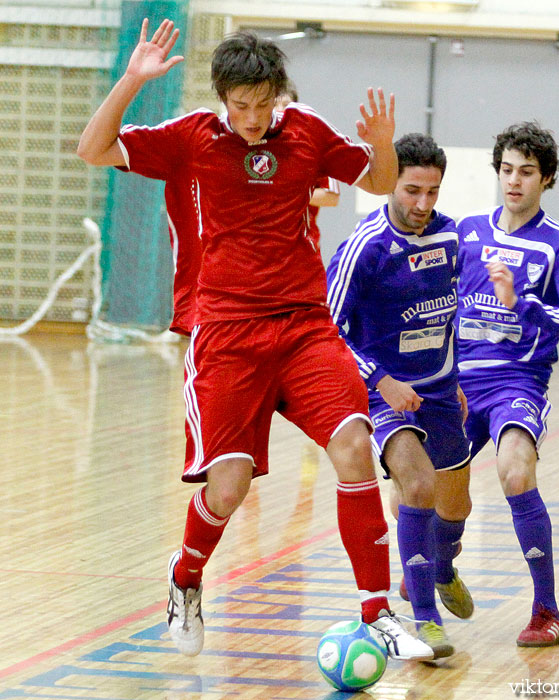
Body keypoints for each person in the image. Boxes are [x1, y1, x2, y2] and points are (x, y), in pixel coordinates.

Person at [77, 18, 434, 661]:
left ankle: (376, 613)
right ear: (222, 98)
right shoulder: (191, 138)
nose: (251, 117)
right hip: (225, 333)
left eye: (263, 103)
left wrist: (382, 145)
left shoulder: (307, 131)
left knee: (355, 444)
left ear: (279, 94)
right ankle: (185, 576)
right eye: (240, 105)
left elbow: (380, 182)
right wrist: (132, 80)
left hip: (303, 325)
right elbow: (93, 149)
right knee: (230, 488)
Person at [327, 133, 474, 659]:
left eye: (432, 192)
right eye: (412, 190)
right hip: (382, 393)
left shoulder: (451, 239)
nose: (423, 204)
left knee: (456, 506)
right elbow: (326, 328)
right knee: (417, 485)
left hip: (438, 389)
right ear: (391, 184)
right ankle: (424, 619)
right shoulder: (365, 247)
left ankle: (441, 564)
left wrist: (455, 379)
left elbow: (451, 316)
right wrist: (381, 380)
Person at [454, 121, 559, 647]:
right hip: (459, 384)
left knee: (515, 473)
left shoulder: (558, 243)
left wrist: (526, 305)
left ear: (547, 179)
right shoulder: (466, 232)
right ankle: (441, 564)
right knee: (415, 493)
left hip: (518, 382)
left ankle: (546, 611)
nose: (514, 181)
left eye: (527, 172)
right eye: (507, 170)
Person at [276, 80, 340, 255]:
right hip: (260, 250)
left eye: (286, 105)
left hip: (302, 248)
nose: (280, 110)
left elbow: (332, 197)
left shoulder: (314, 143)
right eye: (275, 104)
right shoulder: (253, 146)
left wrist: (287, 192)